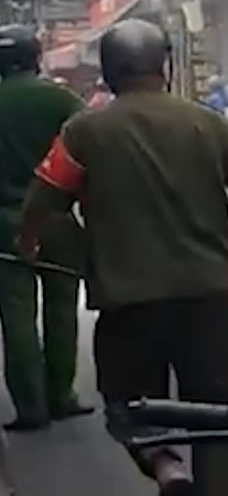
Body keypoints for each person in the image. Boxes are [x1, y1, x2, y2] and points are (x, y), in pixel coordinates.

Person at [19, 19, 228, 496]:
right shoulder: (208, 122)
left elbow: (44, 200)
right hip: (208, 293)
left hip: (129, 301)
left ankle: (167, 468)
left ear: (108, 74)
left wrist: (31, 243)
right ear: (165, 66)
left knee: (127, 405)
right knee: (216, 412)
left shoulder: (84, 131)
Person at [0, 25, 92, 432]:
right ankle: (61, 395)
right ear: (36, 57)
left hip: (3, 227)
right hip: (58, 220)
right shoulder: (61, 99)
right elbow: (89, 152)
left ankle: (31, 407)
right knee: (60, 309)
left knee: (17, 315)